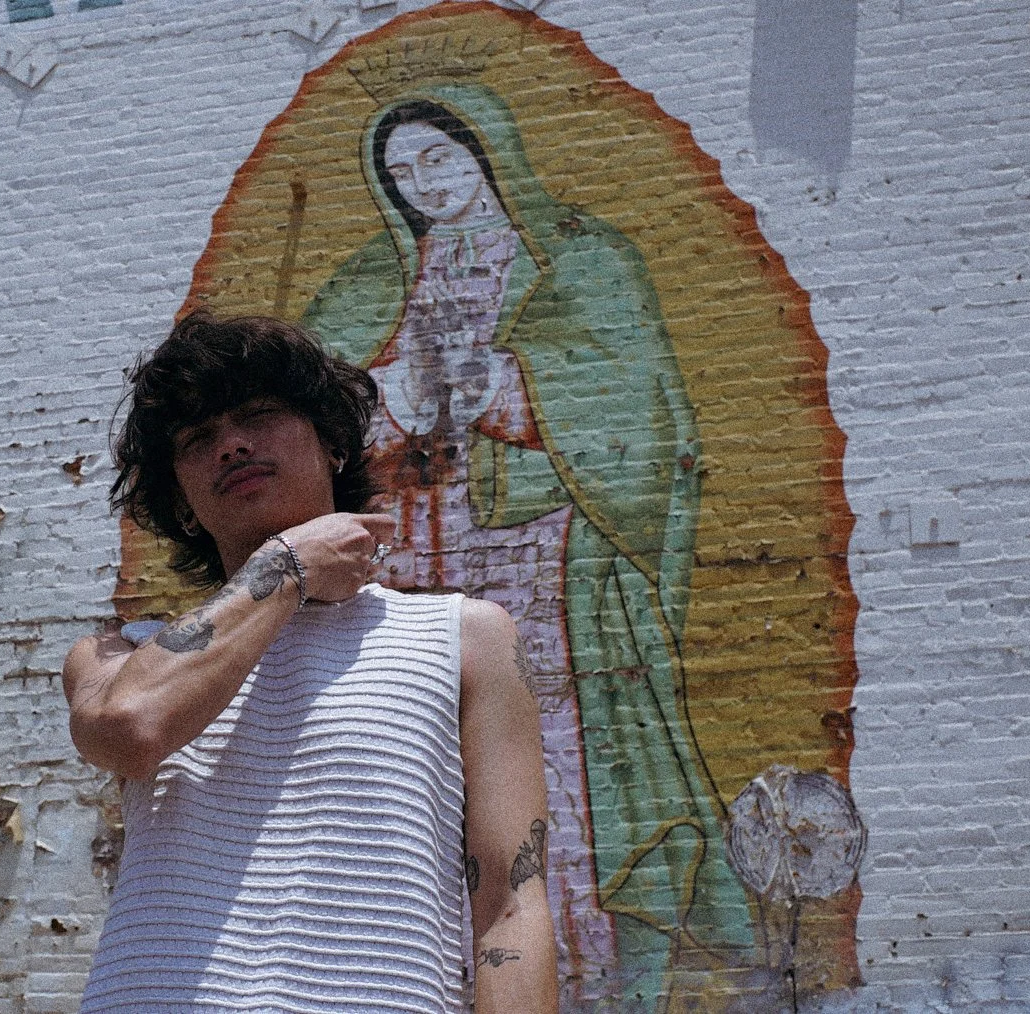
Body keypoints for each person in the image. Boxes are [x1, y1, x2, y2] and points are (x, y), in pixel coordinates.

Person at [298, 88, 755, 1005]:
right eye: (402, 174)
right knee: (405, 787)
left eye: (440, 159)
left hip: (548, 569)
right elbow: (312, 417)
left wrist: (503, 384)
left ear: (490, 149)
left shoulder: (583, 261)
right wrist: (387, 397)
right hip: (402, 576)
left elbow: (639, 418)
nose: (424, 185)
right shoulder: (366, 283)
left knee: (553, 784)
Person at [65, 311, 558, 1013]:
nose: (231, 445)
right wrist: (288, 564)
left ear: (332, 446)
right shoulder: (119, 654)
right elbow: (130, 728)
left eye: (259, 415)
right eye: (198, 439)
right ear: (183, 502)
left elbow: (511, 906)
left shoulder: (464, 638)